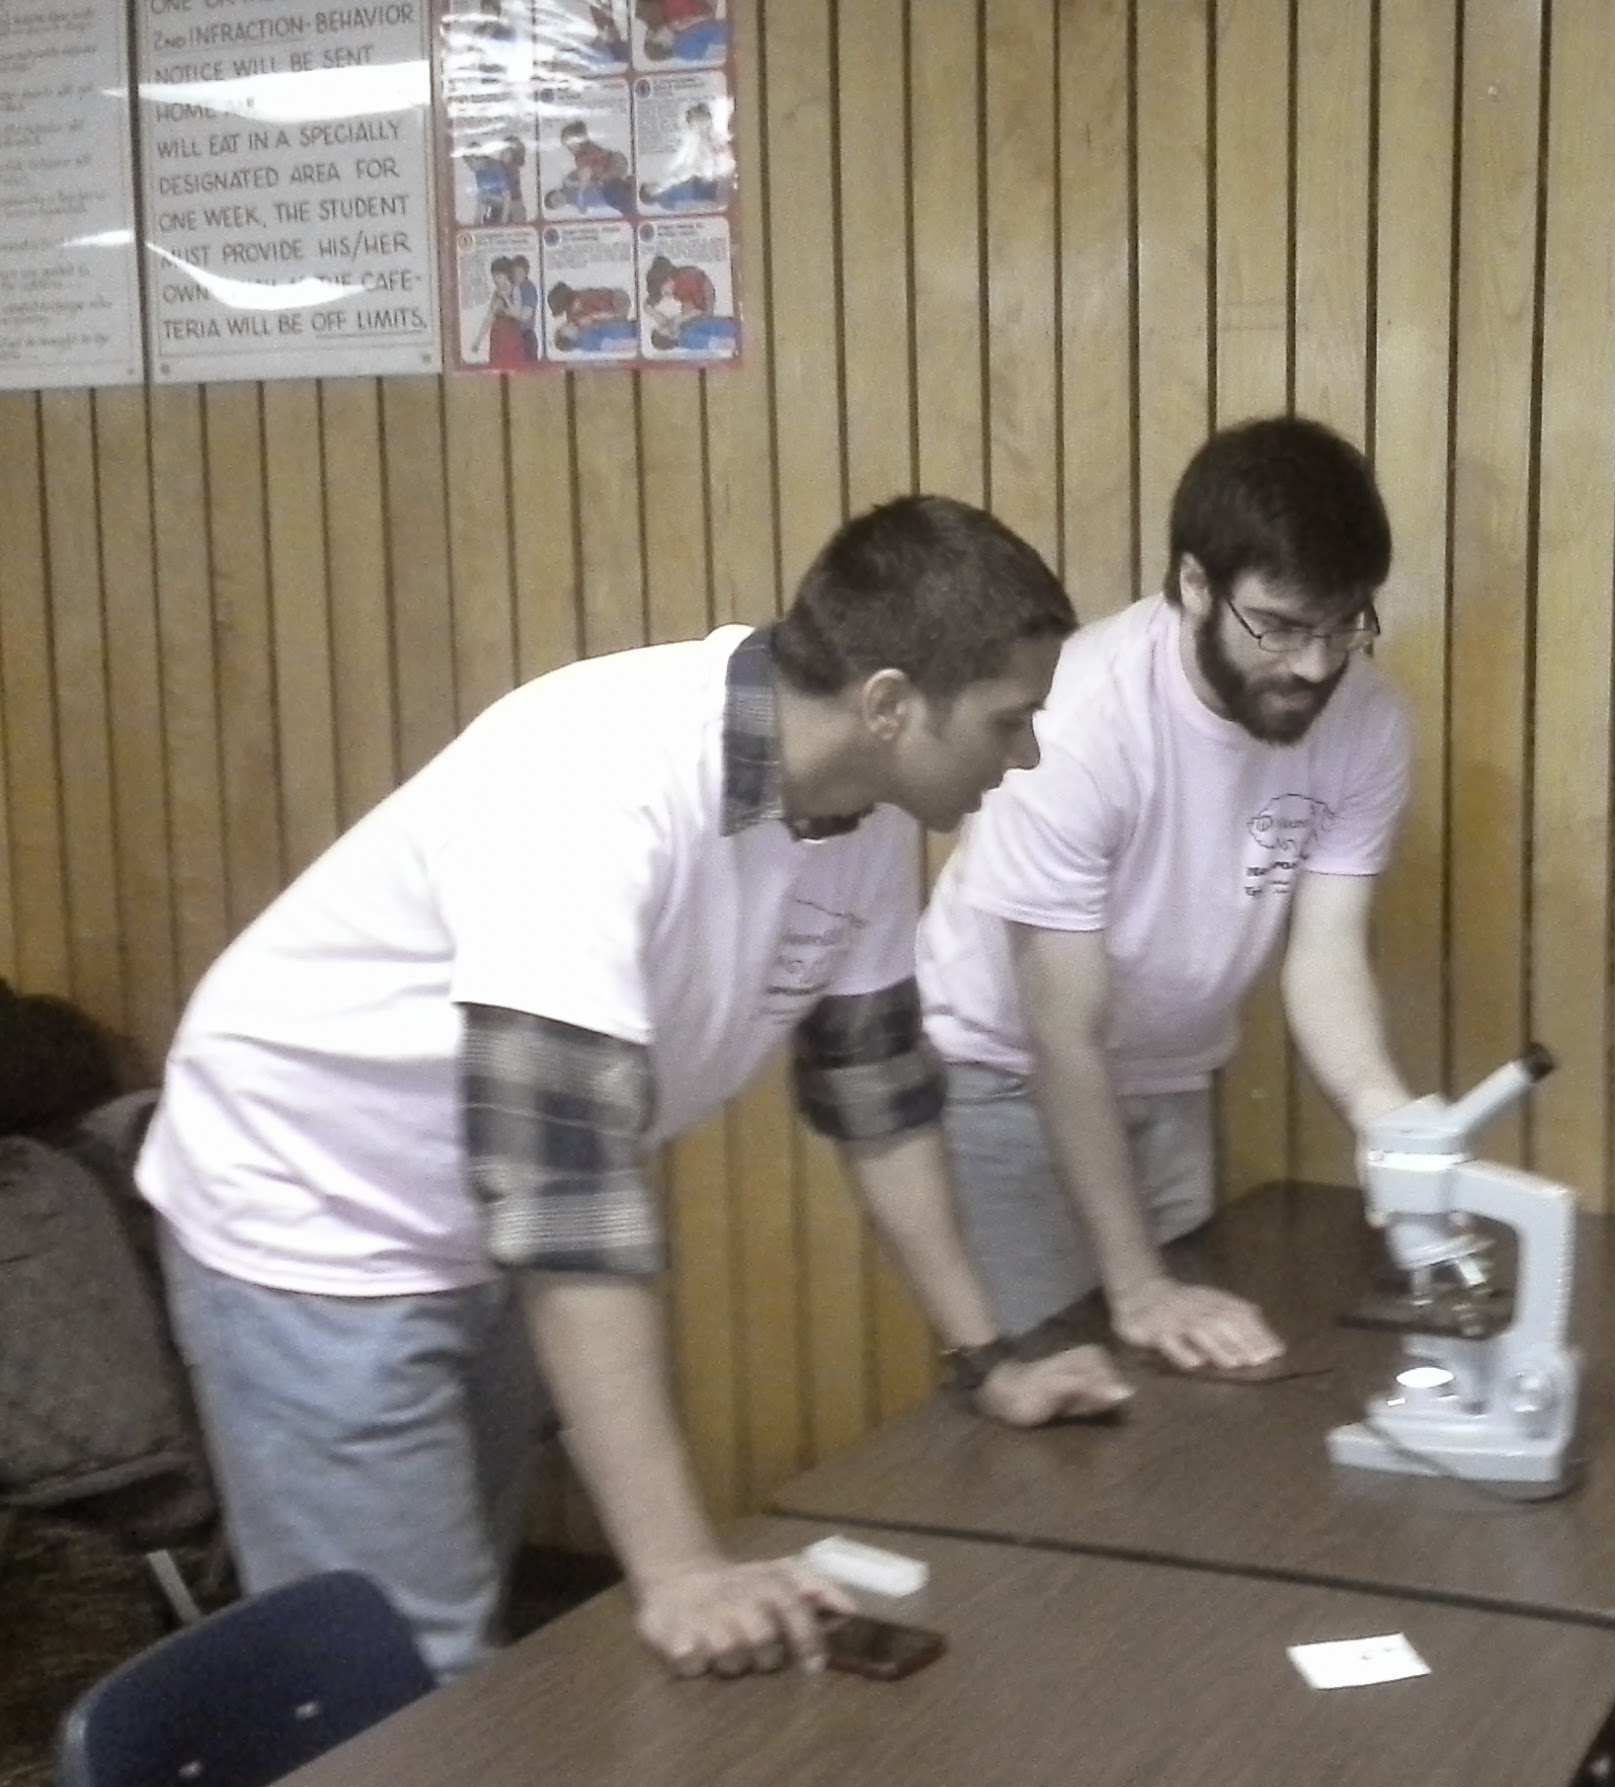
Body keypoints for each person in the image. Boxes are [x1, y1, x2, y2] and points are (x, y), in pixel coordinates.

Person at [138, 497, 1128, 1684]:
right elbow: (564, 1198)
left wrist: (990, 1361)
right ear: (887, 704)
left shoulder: (859, 810)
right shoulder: (594, 784)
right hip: (307, 1196)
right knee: (400, 1681)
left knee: (461, 1637)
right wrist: (676, 1570)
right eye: (1010, 721)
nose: (1027, 757)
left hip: (471, 1215)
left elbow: (878, 1099)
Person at [914, 415, 1415, 1378]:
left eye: (1344, 623)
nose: (1316, 664)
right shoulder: (1076, 720)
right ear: (1194, 585)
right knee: (1058, 1385)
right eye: (1279, 626)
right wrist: (1138, 1286)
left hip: (1170, 1078)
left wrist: (1381, 1111)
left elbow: (1326, 949)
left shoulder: (1366, 719)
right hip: (1003, 1078)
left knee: (1183, 1380)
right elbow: (1062, 1033)